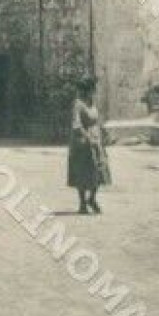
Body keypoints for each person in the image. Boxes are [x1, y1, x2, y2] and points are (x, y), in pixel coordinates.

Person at [68, 77, 111, 214]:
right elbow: (76, 124)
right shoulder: (78, 104)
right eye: (93, 89)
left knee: (98, 171)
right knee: (83, 172)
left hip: (96, 142)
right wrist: (87, 138)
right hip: (82, 143)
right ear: (87, 89)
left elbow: (97, 121)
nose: (94, 92)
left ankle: (92, 198)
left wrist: (103, 133)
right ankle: (82, 203)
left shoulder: (92, 104)